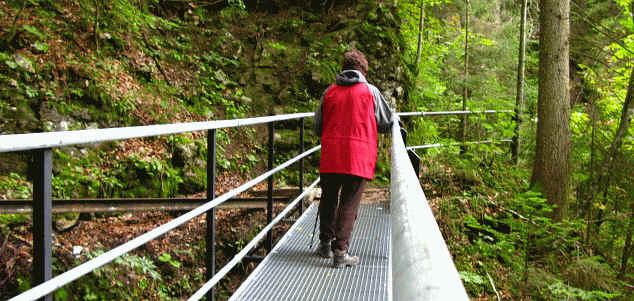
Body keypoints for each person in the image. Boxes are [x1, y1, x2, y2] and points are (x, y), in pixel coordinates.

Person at [312, 49, 394, 268]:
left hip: (331, 155)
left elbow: (317, 126)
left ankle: (324, 245)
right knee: (349, 203)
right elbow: (388, 121)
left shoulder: (329, 92)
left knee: (329, 198)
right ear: (363, 71)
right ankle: (340, 252)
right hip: (358, 157)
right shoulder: (370, 91)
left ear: (343, 69)